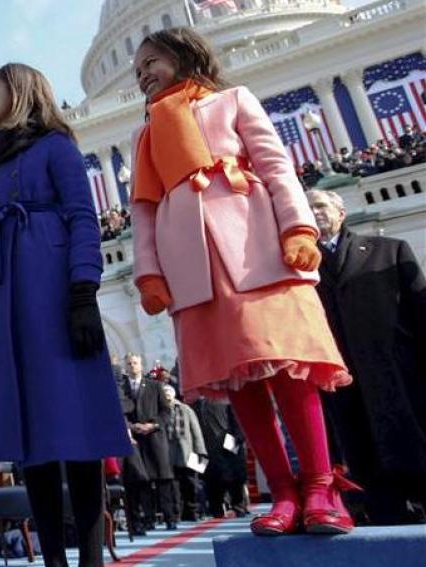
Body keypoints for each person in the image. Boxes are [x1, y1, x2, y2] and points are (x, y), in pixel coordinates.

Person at [130, 27, 354, 536]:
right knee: (242, 384)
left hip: (256, 251)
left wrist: (298, 227)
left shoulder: (233, 100)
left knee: (290, 372)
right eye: (137, 68)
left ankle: (320, 486)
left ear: (184, 56)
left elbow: (276, 165)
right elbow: (143, 211)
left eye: (151, 61)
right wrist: (149, 273)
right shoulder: (145, 136)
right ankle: (283, 492)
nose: (142, 73)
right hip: (196, 272)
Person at [0, 62, 131, 567]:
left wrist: (83, 289)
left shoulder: (58, 148)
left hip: (55, 299)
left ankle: (91, 557)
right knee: (30, 434)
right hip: (9, 306)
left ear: (18, 92)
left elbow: (83, 216)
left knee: (75, 426)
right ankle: (53, 558)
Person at [307, 189, 426, 524]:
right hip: (345, 390)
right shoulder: (302, 272)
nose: (314, 213)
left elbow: (420, 316)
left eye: (320, 206)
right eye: (307, 208)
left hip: (400, 382)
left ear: (340, 211)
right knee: (371, 481)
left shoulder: (388, 251)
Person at [118, 353, 177, 532]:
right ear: (125, 367)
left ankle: (170, 518)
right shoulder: (122, 389)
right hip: (134, 440)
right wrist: (131, 426)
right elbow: (120, 413)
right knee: (139, 480)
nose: (132, 366)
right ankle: (147, 519)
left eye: (135, 363)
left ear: (141, 365)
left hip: (155, 438)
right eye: (129, 363)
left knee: (162, 479)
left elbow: (167, 412)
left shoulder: (155, 386)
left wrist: (153, 424)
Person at [162, 384, 207, 522]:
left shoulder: (185, 409)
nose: (167, 396)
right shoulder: (160, 410)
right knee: (173, 486)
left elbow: (196, 431)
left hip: (187, 452)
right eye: (165, 394)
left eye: (169, 393)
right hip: (168, 453)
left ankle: (193, 511)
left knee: (191, 483)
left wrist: (200, 451)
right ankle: (177, 513)